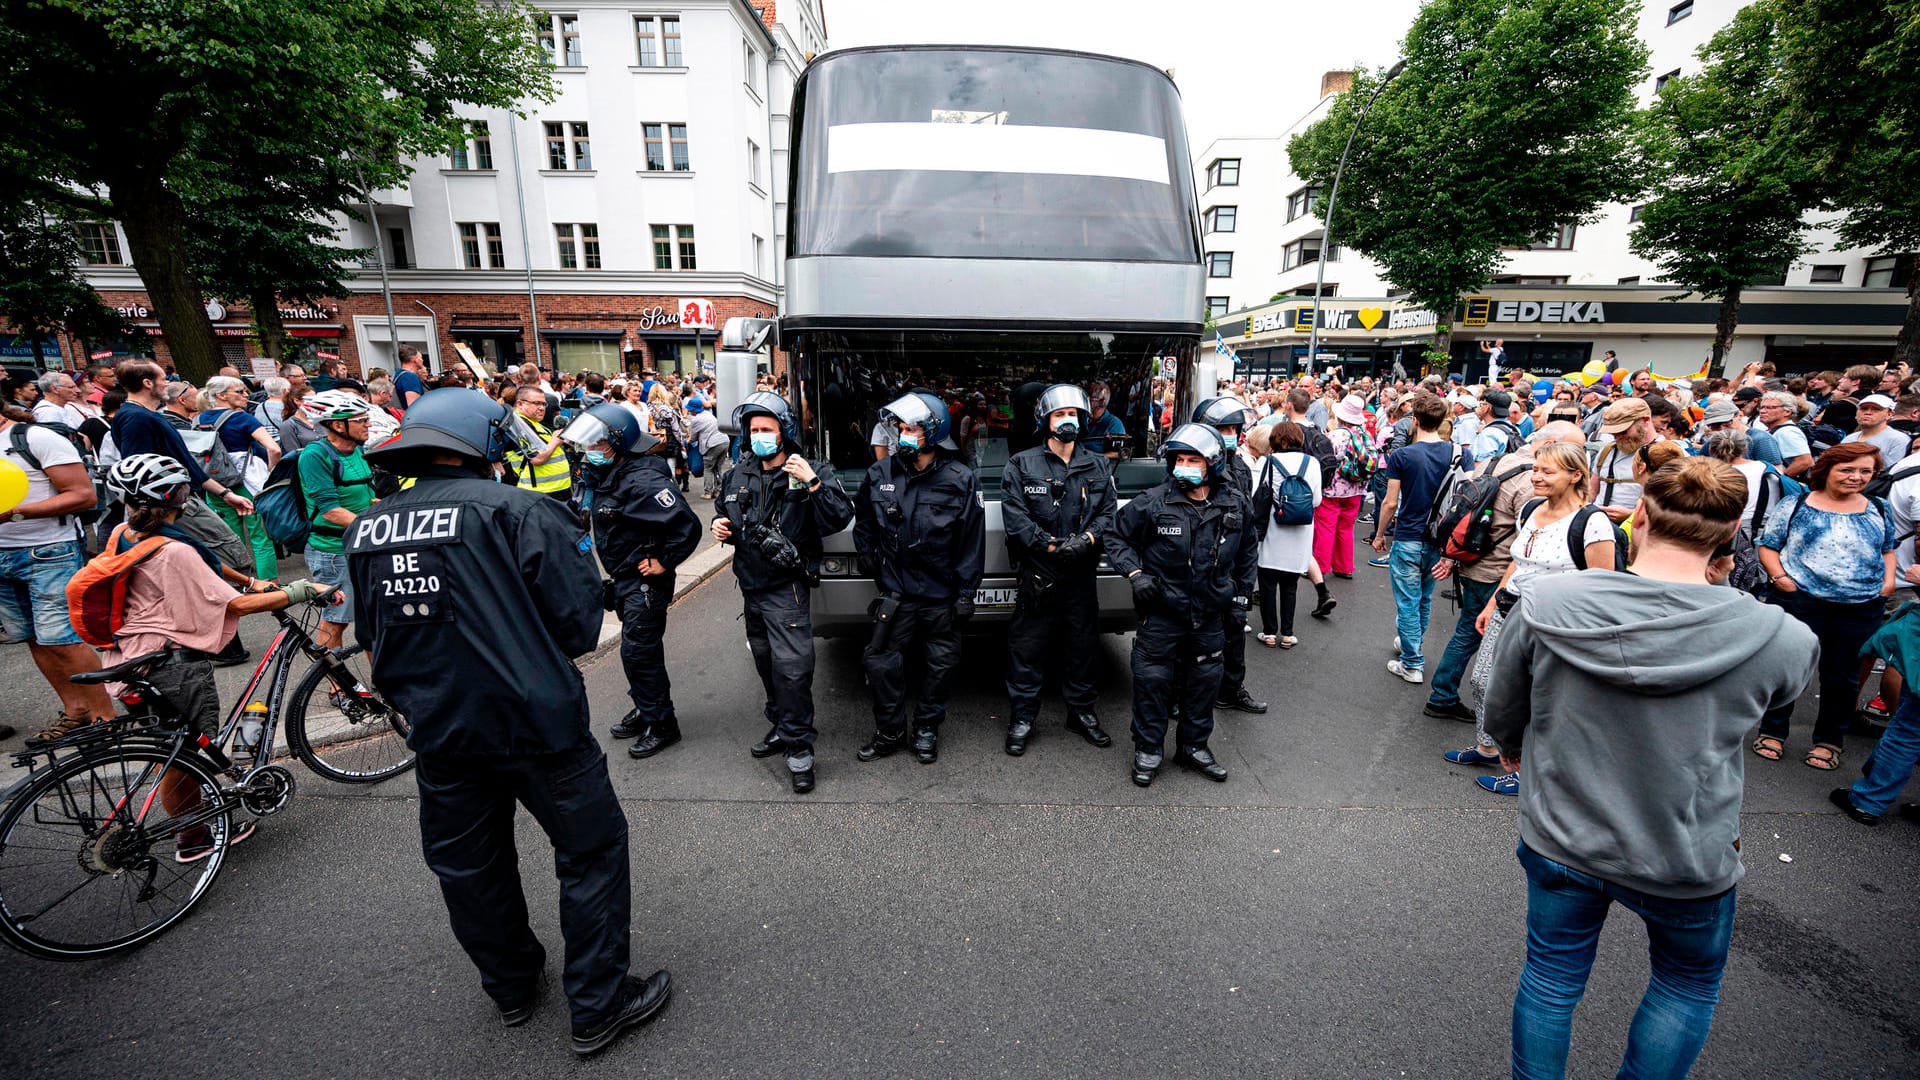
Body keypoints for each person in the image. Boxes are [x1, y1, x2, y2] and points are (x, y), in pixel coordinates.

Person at [344, 389, 671, 1055]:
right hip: (536, 726)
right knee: (591, 852)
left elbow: (374, 633)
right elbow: (578, 624)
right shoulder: (523, 511)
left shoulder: (369, 527)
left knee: (469, 866)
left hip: (439, 730)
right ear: (487, 443)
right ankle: (600, 1005)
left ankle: (513, 987)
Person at [1482, 457, 1817, 1080]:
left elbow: (1505, 704)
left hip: (1564, 834)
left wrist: (1509, 747)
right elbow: (1776, 697)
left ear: (1637, 515)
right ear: (1730, 531)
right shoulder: (1779, 636)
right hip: (1685, 851)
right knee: (1684, 986)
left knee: (1552, 978)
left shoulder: (1549, 602)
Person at [90, 454, 332, 857]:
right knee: (182, 755)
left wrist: (251, 580)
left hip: (125, 657)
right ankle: (194, 838)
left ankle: (199, 807)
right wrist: (302, 590)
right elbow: (234, 606)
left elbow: (205, 562)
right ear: (178, 499)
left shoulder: (122, 533)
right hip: (170, 665)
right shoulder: (172, 552)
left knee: (173, 746)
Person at [1449, 442, 1614, 797]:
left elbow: (1603, 586)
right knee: (1483, 682)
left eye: (1547, 471)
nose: (1536, 477)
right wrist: (1493, 602)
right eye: (1536, 469)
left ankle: (1526, 770)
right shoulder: (1531, 509)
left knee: (1536, 697)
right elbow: (1518, 562)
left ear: (1576, 476)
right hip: (1510, 610)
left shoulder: (1592, 521)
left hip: (1554, 622)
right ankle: (1488, 748)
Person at [712, 392, 855, 791]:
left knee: (792, 671)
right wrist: (719, 526)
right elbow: (727, 513)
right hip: (751, 588)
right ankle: (780, 725)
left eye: (767, 430)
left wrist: (811, 482)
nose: (759, 436)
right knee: (766, 663)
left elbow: (838, 518)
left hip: (787, 589)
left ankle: (799, 751)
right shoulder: (738, 472)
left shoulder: (808, 469)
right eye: (754, 430)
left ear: (784, 432)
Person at [1104, 423, 1257, 787]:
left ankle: (1193, 746)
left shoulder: (1234, 503)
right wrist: (1135, 573)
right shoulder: (1154, 501)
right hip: (1162, 611)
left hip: (1210, 613)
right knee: (1153, 681)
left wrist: (1240, 597)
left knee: (1204, 681)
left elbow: (1248, 551)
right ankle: (1149, 749)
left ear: (1213, 463)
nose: (1184, 466)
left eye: (1193, 459)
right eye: (1179, 459)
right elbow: (1115, 535)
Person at [852, 391, 986, 765]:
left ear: (933, 430)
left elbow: (971, 539)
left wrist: (966, 591)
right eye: (900, 427)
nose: (903, 434)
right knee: (879, 661)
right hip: (896, 592)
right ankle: (890, 731)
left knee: (939, 665)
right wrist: (867, 554)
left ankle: (926, 728)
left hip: (940, 593)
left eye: (912, 427)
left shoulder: (959, 478)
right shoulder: (880, 473)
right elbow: (863, 519)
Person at [561, 403, 701, 759]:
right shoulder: (611, 474)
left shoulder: (642, 481)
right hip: (624, 579)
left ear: (619, 444)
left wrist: (663, 562)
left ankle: (662, 723)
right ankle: (646, 708)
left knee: (639, 652)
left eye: (597, 446)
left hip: (645, 583)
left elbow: (687, 526)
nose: (591, 453)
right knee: (635, 652)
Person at [1426, 422, 1586, 724]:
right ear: (1550, 443)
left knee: (1469, 631)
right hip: (1499, 569)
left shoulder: (1495, 460)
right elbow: (1536, 531)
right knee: (1482, 637)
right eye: (1574, 447)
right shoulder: (1531, 482)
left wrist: (1450, 554)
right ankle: (1449, 697)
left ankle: (1446, 693)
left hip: (1472, 558)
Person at [1753, 442, 1899, 772]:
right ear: (1827, 470)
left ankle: (1829, 741)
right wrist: (1780, 579)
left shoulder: (1877, 506)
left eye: (1865, 471)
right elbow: (1769, 546)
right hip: (1801, 601)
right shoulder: (1797, 503)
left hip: (1860, 606)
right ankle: (1773, 731)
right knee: (1790, 669)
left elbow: (1888, 549)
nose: (1856, 477)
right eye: (1847, 469)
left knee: (1843, 678)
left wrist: (1887, 583)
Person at [998, 384, 1120, 754]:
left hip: (1081, 575)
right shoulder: (1022, 464)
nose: (1067, 421)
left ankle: (1081, 712)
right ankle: (1023, 717)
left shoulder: (1097, 465)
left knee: (1082, 647)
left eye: (1073, 415)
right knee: (1027, 649)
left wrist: (1085, 540)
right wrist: (1050, 545)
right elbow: (1015, 518)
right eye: (1059, 415)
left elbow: (1108, 513)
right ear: (1045, 421)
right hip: (1039, 574)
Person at [0, 402, 111, 744]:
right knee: (33, 637)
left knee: (61, 639)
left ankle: (104, 718)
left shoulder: (33, 437)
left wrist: (15, 514)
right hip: (2, 556)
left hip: (49, 551)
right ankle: (75, 709)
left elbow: (82, 495)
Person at [1372, 392, 1465, 684]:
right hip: (1440, 537)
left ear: (1414, 420)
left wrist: (1378, 534)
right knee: (1424, 597)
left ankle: (1412, 662)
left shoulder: (1402, 455)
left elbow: (1389, 502)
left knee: (1408, 601)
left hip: (1409, 534)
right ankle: (1412, 644)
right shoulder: (1458, 452)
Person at [1193, 396, 1267, 714]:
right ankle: (1181, 695)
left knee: (1234, 631)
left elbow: (1247, 532)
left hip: (1231, 569)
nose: (1230, 434)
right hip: (1199, 568)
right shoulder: (1188, 464)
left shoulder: (1239, 467)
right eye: (1223, 428)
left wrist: (1244, 588)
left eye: (1235, 428)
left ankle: (1231, 689)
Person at [297, 390, 378, 651]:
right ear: (336, 425)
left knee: (372, 618)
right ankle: (336, 688)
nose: (368, 424)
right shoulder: (315, 455)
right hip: (333, 552)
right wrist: (377, 527)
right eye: (361, 420)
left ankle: (381, 681)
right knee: (337, 620)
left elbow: (364, 492)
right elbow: (331, 510)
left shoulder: (357, 449)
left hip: (361, 543)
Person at [197, 375, 282, 580]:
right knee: (260, 536)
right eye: (240, 391)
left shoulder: (199, 419)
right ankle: (269, 584)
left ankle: (241, 581)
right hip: (248, 482)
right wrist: (271, 469)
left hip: (215, 483)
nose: (246, 395)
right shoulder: (242, 418)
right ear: (221, 395)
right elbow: (274, 448)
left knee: (231, 537)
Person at [1251, 422, 1321, 648]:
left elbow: (1257, 495)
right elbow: (1317, 500)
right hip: (1301, 530)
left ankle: (1269, 632)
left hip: (1273, 527)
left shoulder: (1267, 461)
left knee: (1268, 583)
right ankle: (1288, 634)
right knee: (1291, 585)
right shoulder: (1312, 463)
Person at [1317, 395, 1373, 584]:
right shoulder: (1365, 436)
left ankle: (1320, 566)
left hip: (1333, 490)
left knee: (1326, 527)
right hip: (1356, 489)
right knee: (1346, 528)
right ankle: (1344, 566)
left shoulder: (1334, 435)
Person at [1590, 397, 1654, 524]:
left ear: (1645, 421)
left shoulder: (1668, 454)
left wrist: (1632, 515)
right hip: (1598, 526)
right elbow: (1592, 491)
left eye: (1622, 431)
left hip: (1637, 530)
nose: (1617, 437)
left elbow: (1674, 508)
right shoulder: (1607, 451)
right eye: (1612, 432)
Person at [503, 384, 571, 500]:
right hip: (540, 493)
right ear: (520, 404)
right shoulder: (517, 424)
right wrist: (555, 441)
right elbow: (537, 458)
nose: (542, 408)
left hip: (555, 490)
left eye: (544, 404)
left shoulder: (534, 423)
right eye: (536, 403)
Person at [1842, 393, 1912, 470]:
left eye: (1876, 409)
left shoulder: (1899, 440)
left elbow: (1894, 471)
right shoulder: (1849, 439)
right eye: (1864, 409)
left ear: (1889, 414)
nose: (1868, 412)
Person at [1080, 381, 1128, 460]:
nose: (1086, 402)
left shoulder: (1113, 424)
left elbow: (1118, 453)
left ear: (1103, 402)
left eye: (1090, 399)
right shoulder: (1082, 418)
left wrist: (1092, 458)